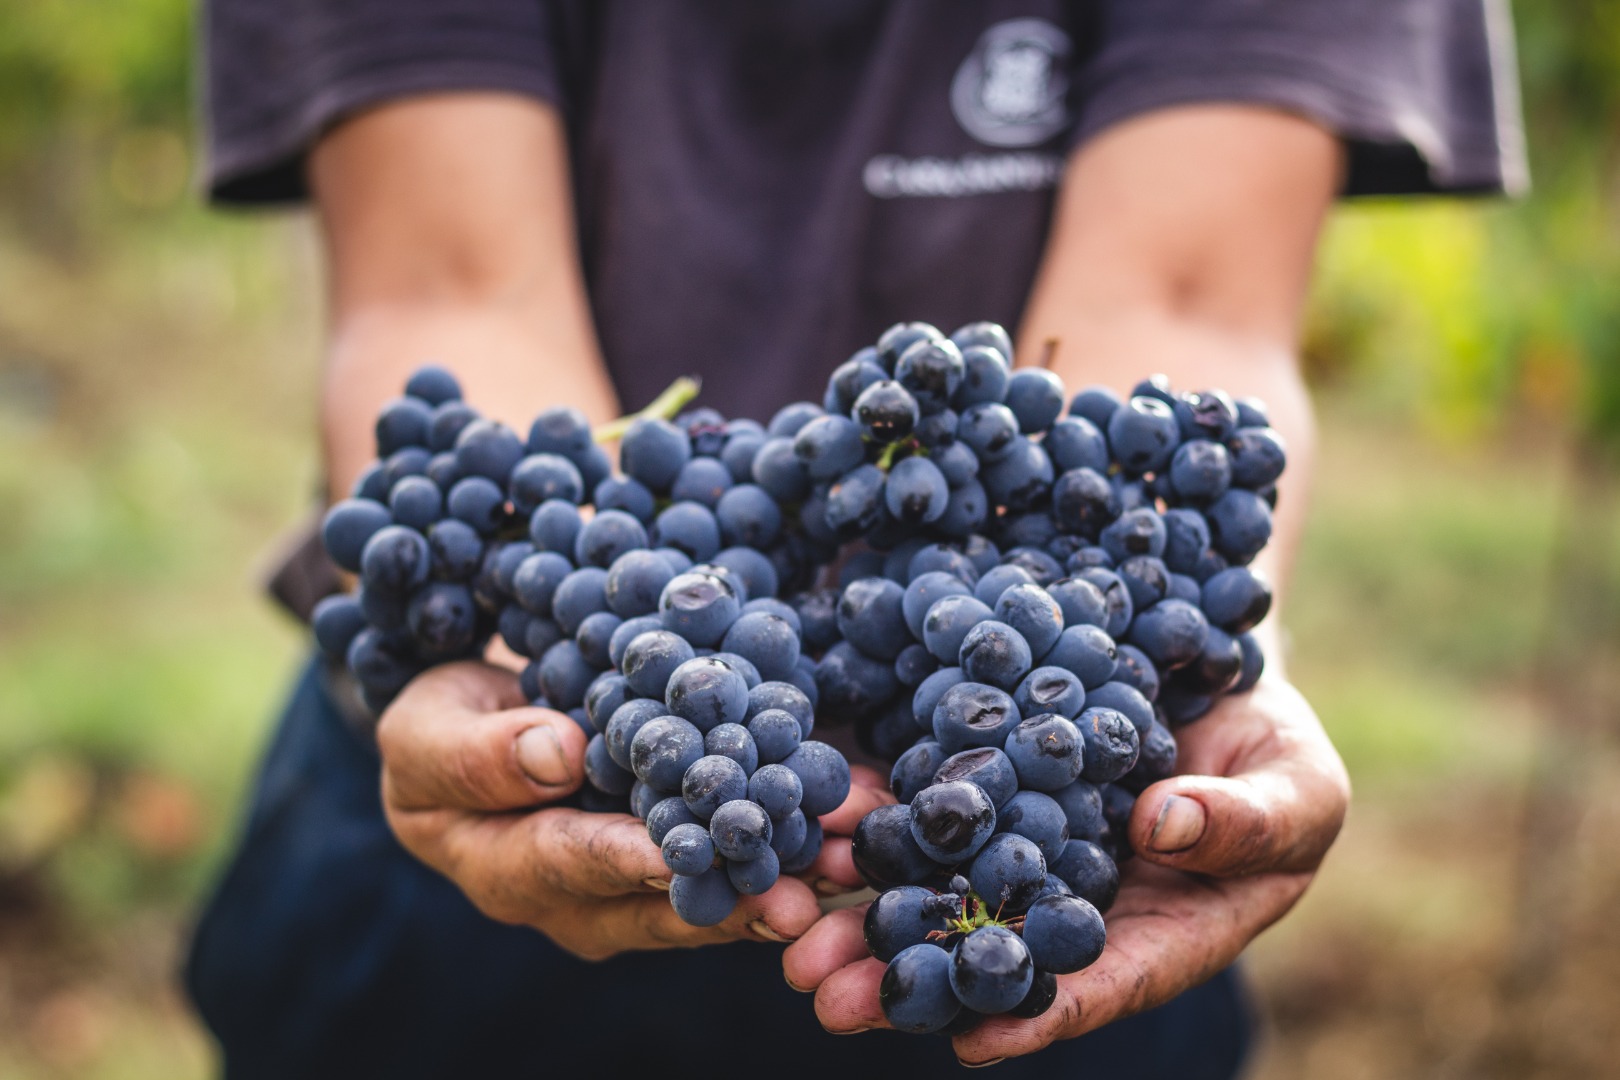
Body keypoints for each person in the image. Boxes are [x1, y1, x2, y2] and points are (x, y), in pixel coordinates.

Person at [187, 1, 1524, 1076]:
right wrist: (537, 622)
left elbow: (1184, 303)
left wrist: (1155, 653)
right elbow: (452, 286)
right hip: (539, 738)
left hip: (1072, 861)